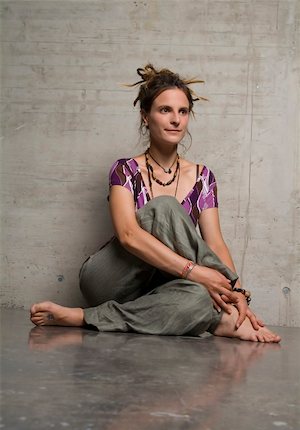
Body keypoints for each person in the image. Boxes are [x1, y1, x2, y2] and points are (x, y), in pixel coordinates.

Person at [30, 64, 281, 343]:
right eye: (165, 110)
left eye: (182, 112)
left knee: (200, 298)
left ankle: (83, 317)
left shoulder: (203, 177)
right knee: (165, 208)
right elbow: (128, 235)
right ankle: (224, 316)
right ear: (145, 117)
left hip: (157, 293)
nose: (175, 119)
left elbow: (216, 244)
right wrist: (197, 272)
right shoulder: (125, 170)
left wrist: (236, 293)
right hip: (111, 278)